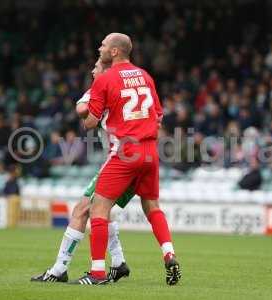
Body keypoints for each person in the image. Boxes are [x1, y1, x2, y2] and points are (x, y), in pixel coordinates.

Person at [71, 33, 181, 285]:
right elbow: (159, 116)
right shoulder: (145, 76)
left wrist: (82, 105)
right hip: (150, 151)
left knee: (99, 208)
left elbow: (90, 123)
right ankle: (169, 254)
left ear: (114, 52)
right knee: (152, 206)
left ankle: (97, 273)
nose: (99, 46)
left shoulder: (105, 79)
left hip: (124, 151)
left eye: (103, 44)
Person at [31, 59, 134, 283]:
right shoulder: (128, 89)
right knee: (104, 212)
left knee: (81, 210)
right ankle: (118, 262)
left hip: (119, 162)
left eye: (96, 66)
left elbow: (82, 112)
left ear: (106, 71)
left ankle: (59, 269)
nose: (92, 69)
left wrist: (96, 99)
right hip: (136, 160)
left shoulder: (101, 88)